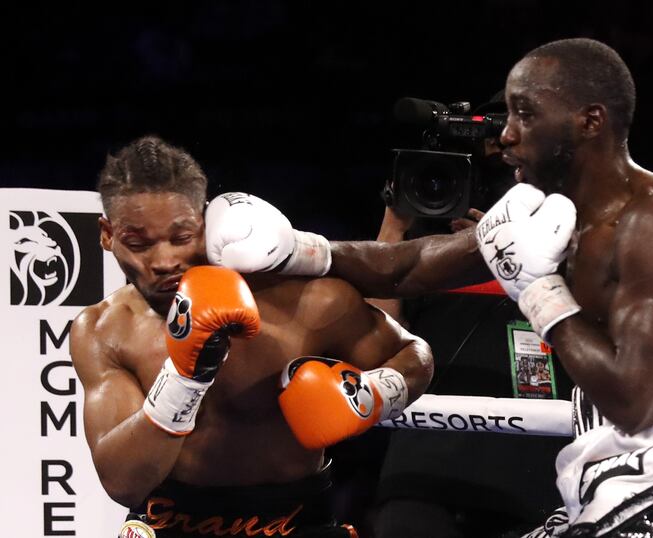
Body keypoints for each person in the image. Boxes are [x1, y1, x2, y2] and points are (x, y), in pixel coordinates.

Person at [207, 38, 653, 536]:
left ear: (590, 121)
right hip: (604, 460)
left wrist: (539, 290)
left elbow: (634, 399)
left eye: (526, 113)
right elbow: (411, 264)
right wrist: (301, 250)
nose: (507, 134)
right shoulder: (546, 211)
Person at [69, 135, 433, 538]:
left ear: (206, 224)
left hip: (298, 522)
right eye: (139, 243)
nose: (164, 260)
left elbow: (412, 355)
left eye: (181, 237)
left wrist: (373, 394)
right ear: (107, 234)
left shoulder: (301, 301)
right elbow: (123, 483)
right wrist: (186, 379)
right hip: (169, 523)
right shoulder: (105, 329)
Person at [369, 93, 570, 538]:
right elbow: (376, 348)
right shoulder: (435, 219)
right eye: (502, 133)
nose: (510, 144)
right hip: (425, 468)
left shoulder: (580, 216)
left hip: (534, 470)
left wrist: (520, 257)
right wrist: (396, 222)